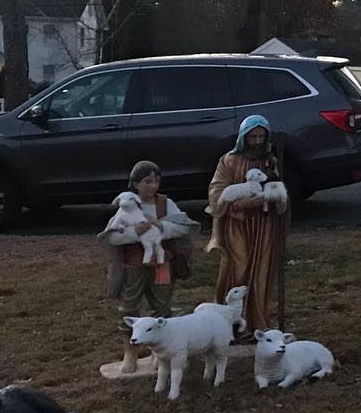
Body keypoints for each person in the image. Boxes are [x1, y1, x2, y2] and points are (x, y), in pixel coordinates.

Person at [101, 160, 197, 374]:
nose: (153, 186)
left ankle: (160, 351)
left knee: (161, 306)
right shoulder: (127, 204)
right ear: (135, 184)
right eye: (147, 181)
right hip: (134, 264)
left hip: (162, 263)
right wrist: (136, 233)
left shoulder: (165, 203)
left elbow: (183, 226)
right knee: (129, 306)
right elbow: (112, 236)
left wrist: (161, 228)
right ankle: (130, 351)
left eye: (156, 181)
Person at [207, 115, 288, 336]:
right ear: (244, 137)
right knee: (238, 268)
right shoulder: (229, 161)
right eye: (253, 136)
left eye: (261, 136)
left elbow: (277, 186)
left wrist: (281, 201)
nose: (257, 141)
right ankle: (229, 324)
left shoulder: (270, 161)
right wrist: (239, 204)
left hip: (264, 226)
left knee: (261, 271)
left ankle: (257, 323)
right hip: (237, 225)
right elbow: (216, 193)